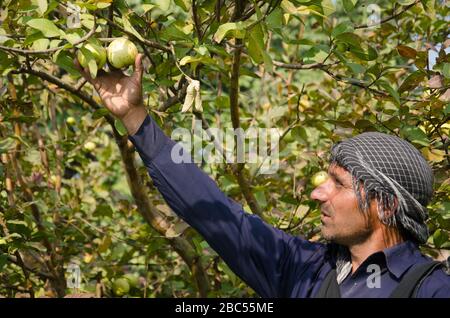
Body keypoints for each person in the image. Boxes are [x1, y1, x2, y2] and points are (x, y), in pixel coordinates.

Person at [74, 54, 450, 298]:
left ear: (386, 205)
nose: (318, 194)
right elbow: (214, 212)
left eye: (338, 184)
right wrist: (136, 119)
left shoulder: (432, 289)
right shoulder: (304, 267)